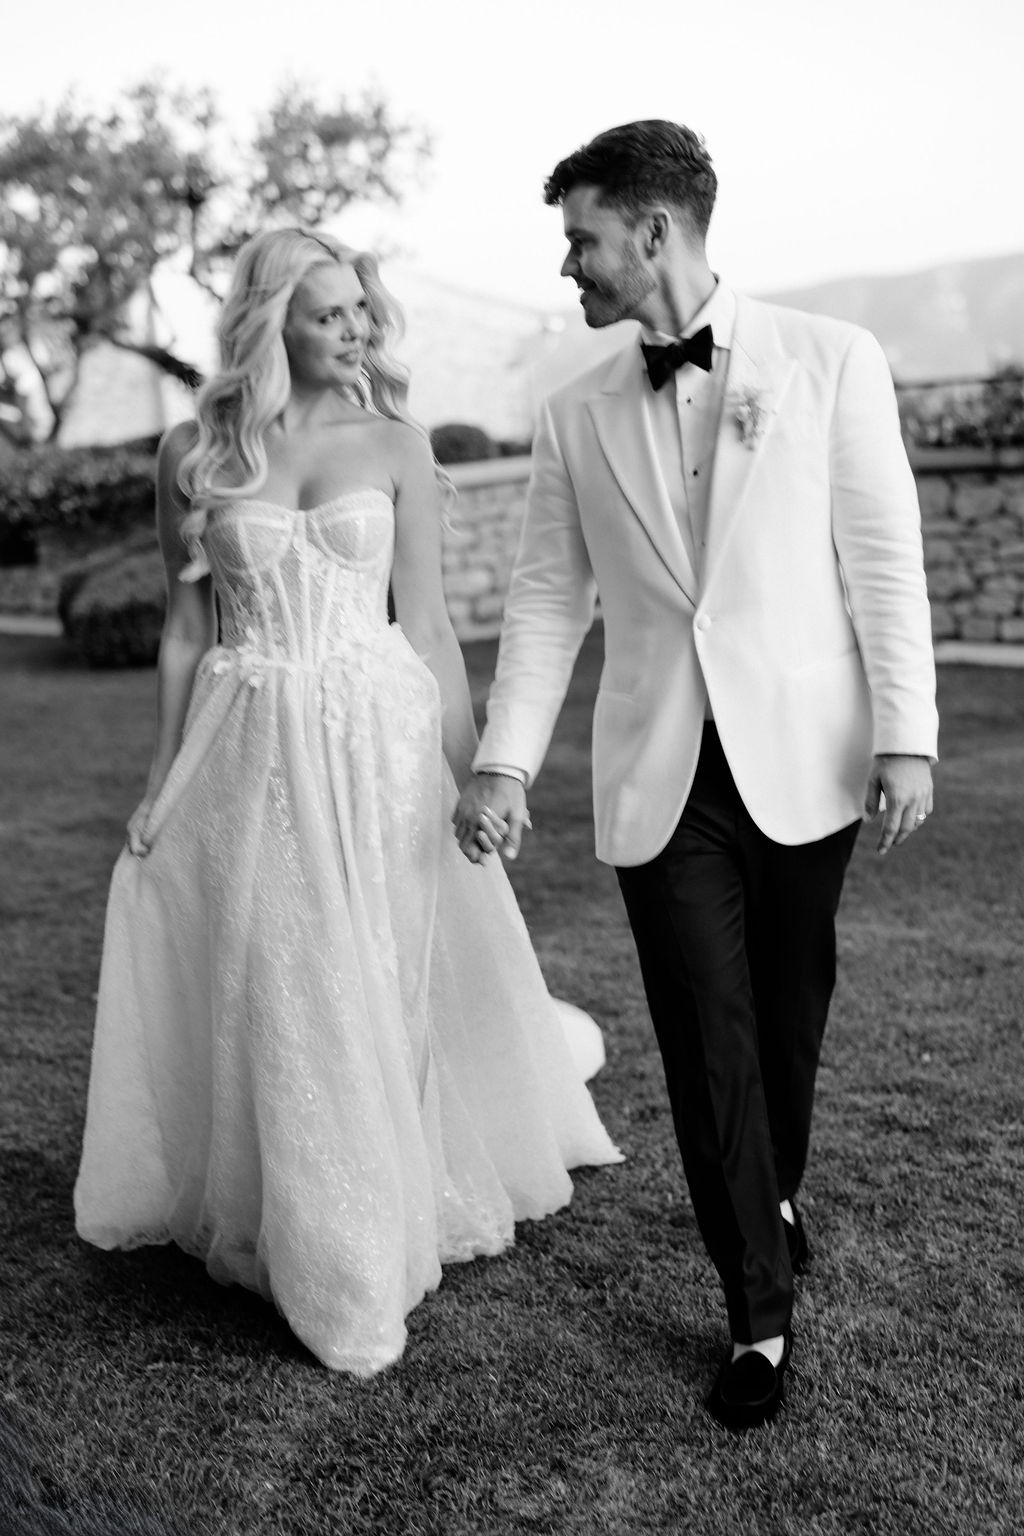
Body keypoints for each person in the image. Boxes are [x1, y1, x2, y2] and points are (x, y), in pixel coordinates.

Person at [454, 120, 938, 1429]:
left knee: (787, 1015)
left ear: (653, 231)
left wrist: (909, 728)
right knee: (704, 1037)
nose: (570, 267)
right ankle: (759, 1317)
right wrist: (504, 762)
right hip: (660, 777)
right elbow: (550, 603)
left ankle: (770, 1186)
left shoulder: (834, 360)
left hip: (807, 755)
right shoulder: (573, 415)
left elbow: (882, 559)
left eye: (582, 237)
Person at [74, 228, 622, 1378]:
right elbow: (186, 634)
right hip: (251, 745)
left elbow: (426, 624)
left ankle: (405, 1179)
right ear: (273, 325)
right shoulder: (193, 451)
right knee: (289, 978)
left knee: (386, 967)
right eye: (331, 314)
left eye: (364, 311)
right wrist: (158, 778)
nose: (358, 330)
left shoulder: (398, 444)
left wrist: (482, 776)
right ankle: (332, 1244)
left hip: (380, 739)